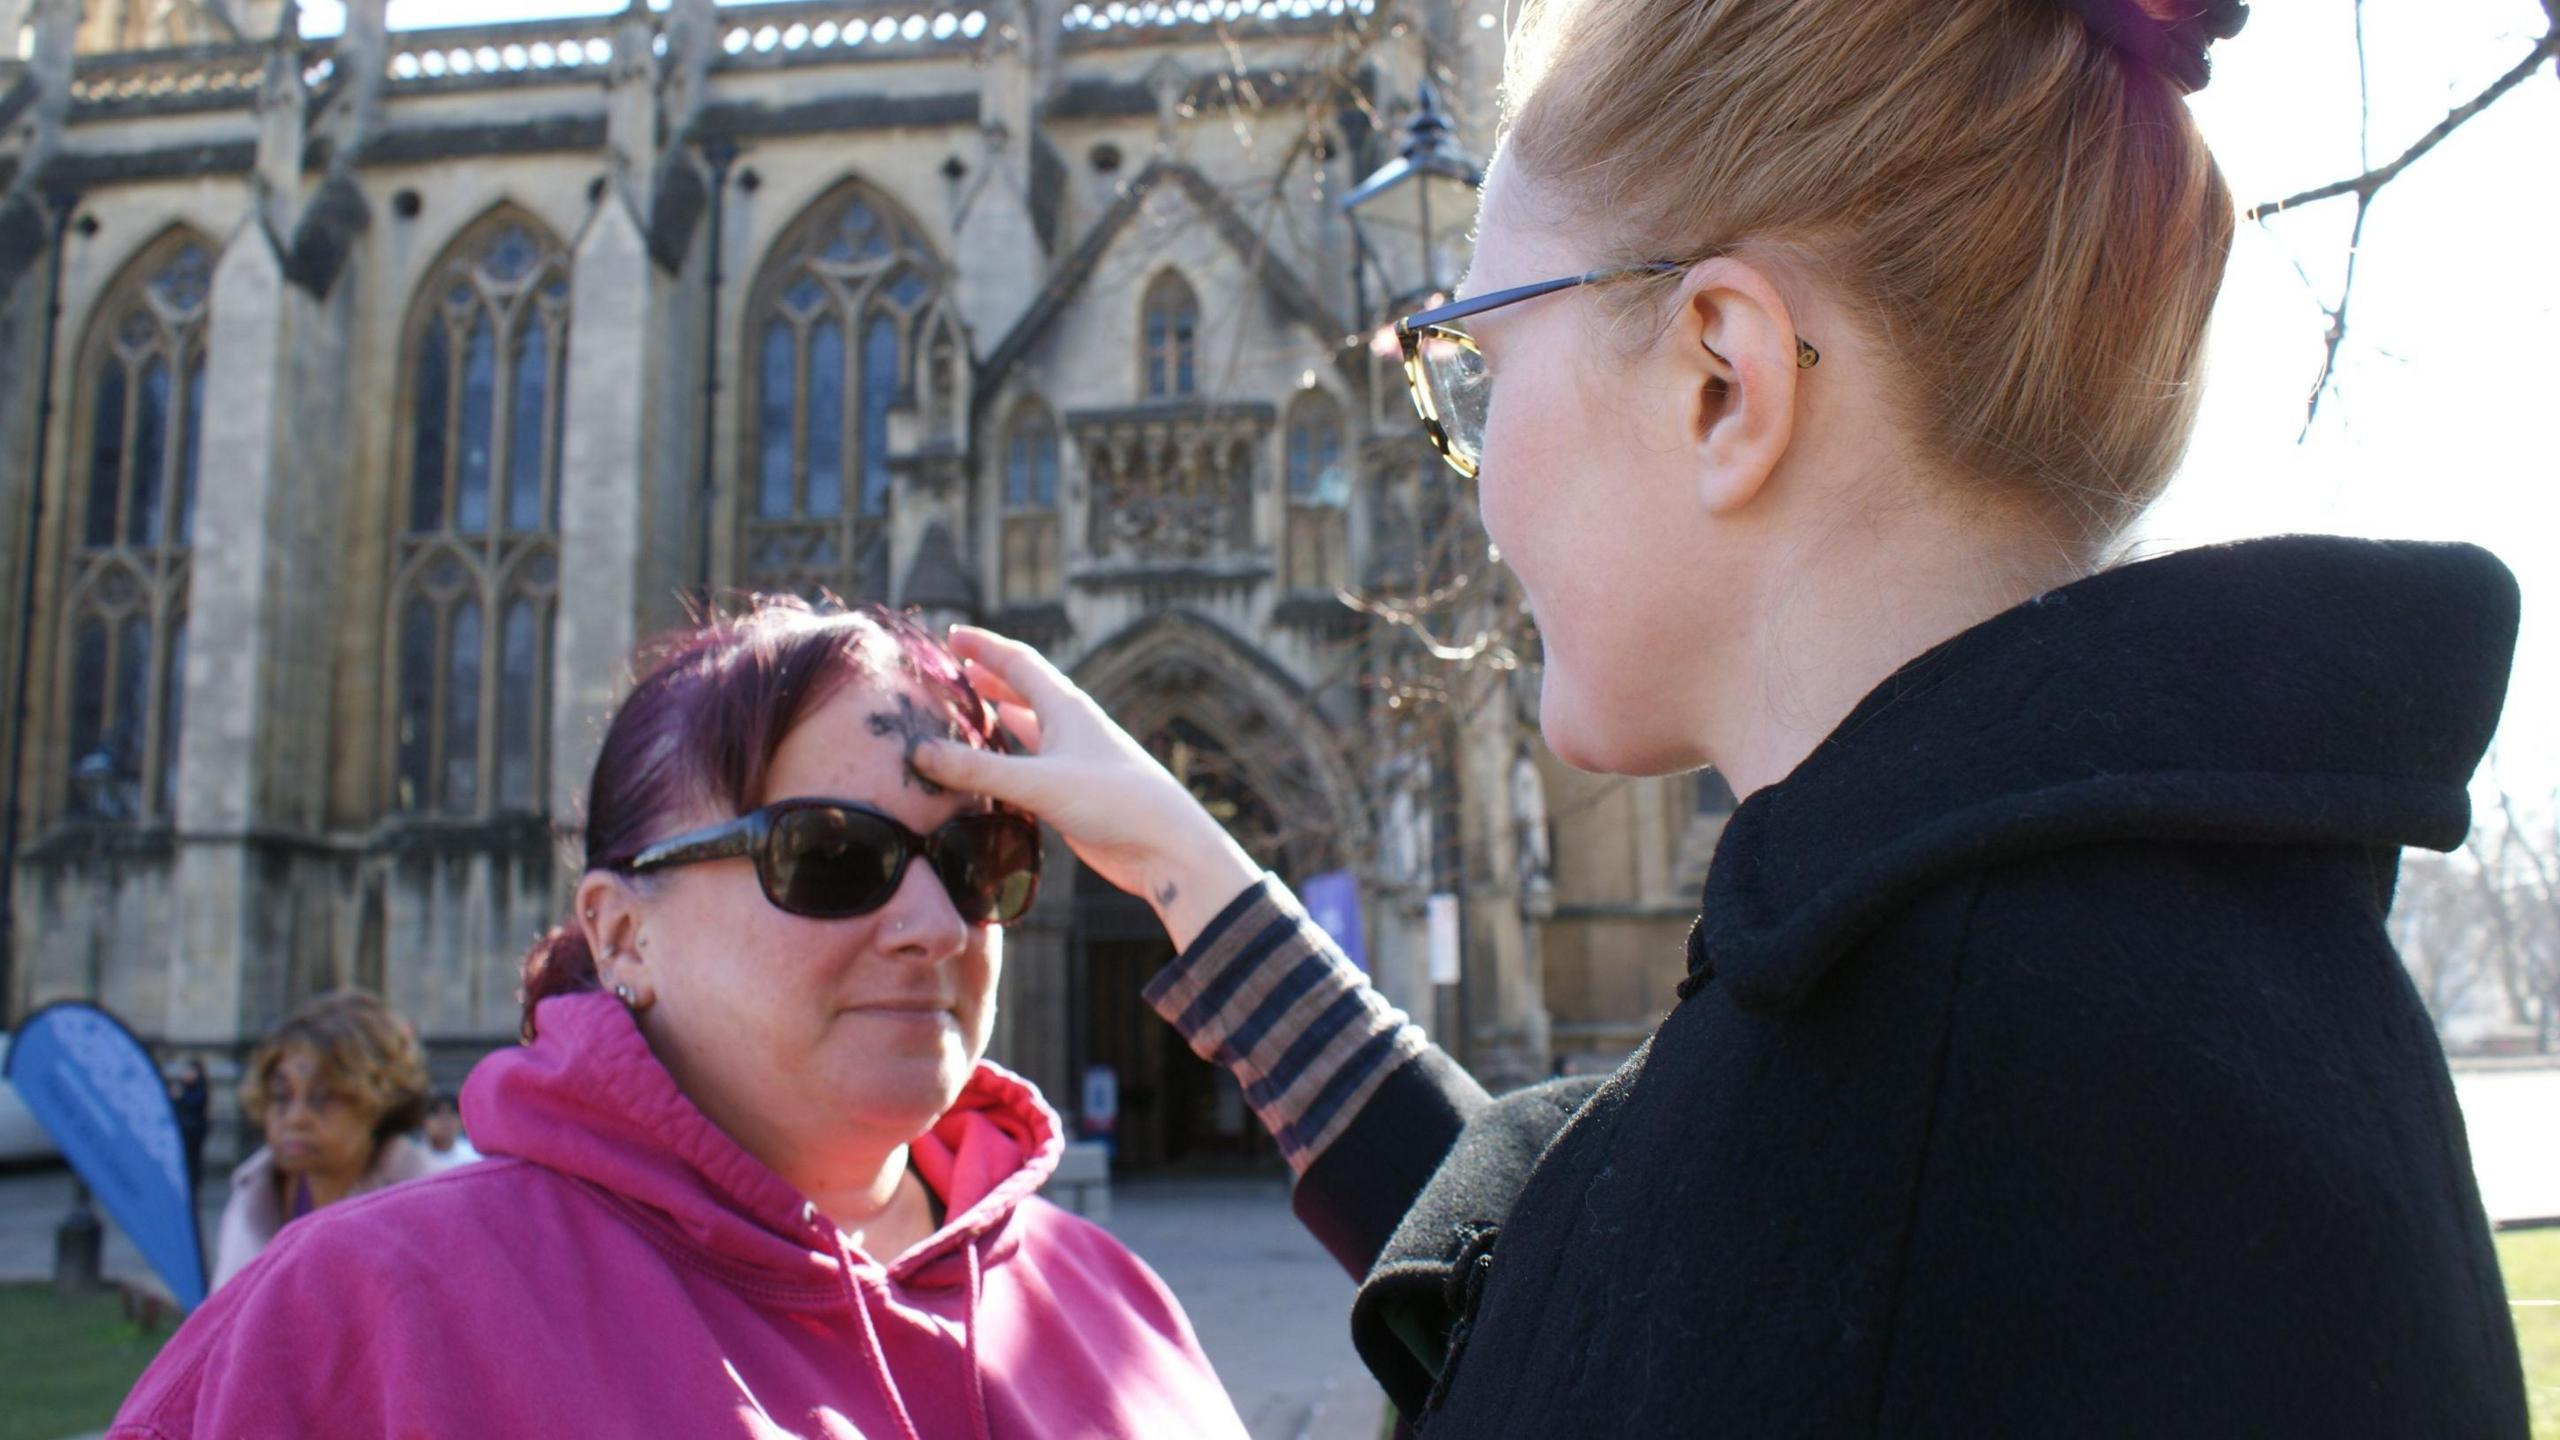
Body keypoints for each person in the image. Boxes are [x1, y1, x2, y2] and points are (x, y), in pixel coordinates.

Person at [911, 0, 2532, 1433]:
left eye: (1475, 372)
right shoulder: (2100, 983)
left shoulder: (1949, 1120)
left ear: (1721, 384)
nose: (1462, 491)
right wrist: (1195, 866)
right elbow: (1599, 1262)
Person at [114, 601, 1246, 1440]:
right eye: (829, 857)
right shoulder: (357, 1316)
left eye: (978, 860)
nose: (935, 925)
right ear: (620, 934)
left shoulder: (1110, 1297)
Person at [209, 991, 433, 1291]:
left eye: (321, 1098)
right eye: (281, 1096)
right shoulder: (252, 1194)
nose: (295, 1118)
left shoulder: (426, 1205)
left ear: (377, 1102)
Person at [165, 1056, 208, 1203]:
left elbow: (195, 1103)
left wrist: (180, 1097)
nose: (186, 1074)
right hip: (185, 1133)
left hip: (193, 1133)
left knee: (193, 1164)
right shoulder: (185, 1088)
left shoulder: (198, 1089)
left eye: (190, 1071)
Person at [416, 1091, 480, 1173]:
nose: (444, 1120)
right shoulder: (413, 1158)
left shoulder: (474, 1157)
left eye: (451, 1113)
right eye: (436, 1113)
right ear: (423, 1121)